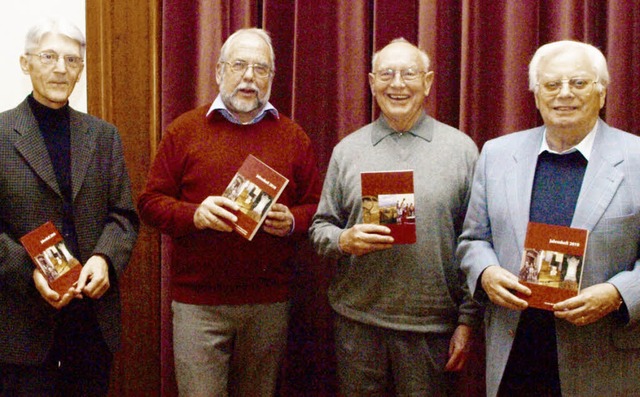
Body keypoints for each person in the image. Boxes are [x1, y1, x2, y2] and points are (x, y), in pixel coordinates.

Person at [137, 28, 321, 396]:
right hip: (198, 306)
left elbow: (319, 209)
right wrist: (195, 215)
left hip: (268, 304)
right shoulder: (184, 130)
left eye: (260, 68)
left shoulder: (293, 136)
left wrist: (292, 221)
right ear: (219, 72)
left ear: (272, 77)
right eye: (239, 65)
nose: (249, 76)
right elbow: (149, 203)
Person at [457, 40, 640, 396]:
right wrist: (486, 272)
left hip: (604, 357)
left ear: (602, 93)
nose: (565, 94)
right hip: (515, 351)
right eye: (552, 85)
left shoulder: (638, 159)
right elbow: (473, 239)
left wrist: (619, 293)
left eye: (579, 83)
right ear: (537, 96)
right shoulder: (497, 154)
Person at [309, 38, 481, 396]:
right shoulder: (348, 150)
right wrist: (344, 239)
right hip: (358, 326)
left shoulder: (462, 149)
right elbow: (319, 228)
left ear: (428, 82)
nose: (398, 84)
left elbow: (476, 241)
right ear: (372, 83)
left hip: (431, 330)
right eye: (387, 74)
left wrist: (467, 321)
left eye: (409, 74)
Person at [0, 18, 139, 396]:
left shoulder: (104, 136)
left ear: (80, 69)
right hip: (21, 327)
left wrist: (105, 259)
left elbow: (123, 215)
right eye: (49, 57)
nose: (61, 68)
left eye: (72, 60)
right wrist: (30, 272)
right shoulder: (1, 134)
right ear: (25, 63)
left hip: (91, 323)